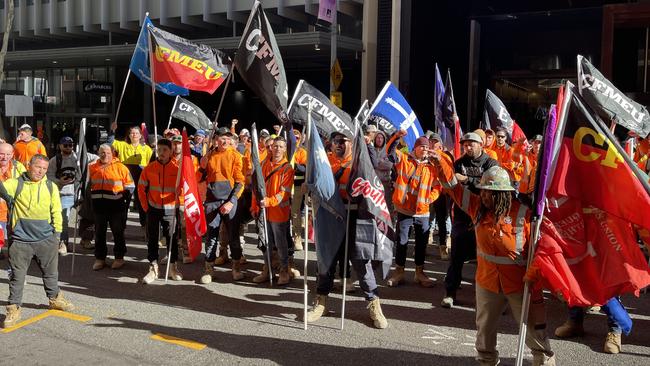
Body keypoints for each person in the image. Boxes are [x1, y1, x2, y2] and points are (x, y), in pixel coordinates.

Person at [431, 153, 556, 366]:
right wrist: (439, 163)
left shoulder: (525, 214)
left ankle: (543, 360)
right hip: (487, 281)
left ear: (502, 194)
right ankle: (487, 360)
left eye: (489, 193)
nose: (484, 196)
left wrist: (534, 272)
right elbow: (453, 187)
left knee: (534, 328)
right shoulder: (478, 208)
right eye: (483, 191)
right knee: (485, 327)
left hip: (521, 283)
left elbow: (543, 248)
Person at [306, 131, 388, 329]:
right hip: (331, 219)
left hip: (356, 218)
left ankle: (374, 305)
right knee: (326, 261)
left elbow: (374, 188)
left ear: (352, 143)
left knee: (362, 263)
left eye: (343, 141)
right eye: (335, 141)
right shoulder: (325, 163)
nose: (338, 144)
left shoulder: (360, 164)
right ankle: (321, 302)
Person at [1, 154, 74, 328]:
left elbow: (57, 212)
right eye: (37, 167)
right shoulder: (15, 184)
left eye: (44, 168)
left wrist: (57, 236)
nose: (40, 171)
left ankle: (54, 298)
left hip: (46, 239)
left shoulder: (50, 186)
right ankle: (13, 308)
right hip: (20, 240)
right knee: (17, 277)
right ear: (29, 165)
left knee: (51, 274)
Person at [441, 132, 498, 308]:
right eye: (465, 144)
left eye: (471, 144)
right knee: (456, 257)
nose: (468, 147)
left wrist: (468, 179)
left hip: (484, 216)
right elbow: (452, 185)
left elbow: (494, 183)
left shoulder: (491, 163)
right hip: (462, 216)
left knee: (487, 259)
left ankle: (491, 298)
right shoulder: (459, 163)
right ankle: (450, 293)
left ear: (481, 144)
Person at [385, 131, 441, 287]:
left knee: (421, 244)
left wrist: (430, 199)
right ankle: (399, 272)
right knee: (402, 242)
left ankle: (419, 273)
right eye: (421, 146)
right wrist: (395, 137)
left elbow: (437, 186)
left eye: (426, 147)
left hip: (423, 212)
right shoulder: (404, 159)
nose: (424, 149)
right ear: (415, 148)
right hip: (404, 210)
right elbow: (389, 152)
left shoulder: (432, 166)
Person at [199, 127, 245, 283]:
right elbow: (200, 178)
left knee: (233, 236)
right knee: (211, 236)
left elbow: (240, 183)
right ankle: (209, 269)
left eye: (227, 138)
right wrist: (202, 166)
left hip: (229, 201)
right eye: (222, 138)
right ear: (216, 140)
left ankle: (236, 267)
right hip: (212, 201)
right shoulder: (209, 156)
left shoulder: (236, 156)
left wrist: (231, 202)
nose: (225, 141)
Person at [251, 136, 295, 285]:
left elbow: (284, 193)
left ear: (284, 150)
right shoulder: (263, 165)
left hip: (278, 213)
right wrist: (254, 205)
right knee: (266, 243)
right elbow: (256, 187)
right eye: (275, 146)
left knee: (280, 244)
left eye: (281, 147)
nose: (277, 149)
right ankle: (267, 270)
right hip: (264, 212)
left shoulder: (287, 168)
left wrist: (268, 202)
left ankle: (284, 271)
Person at [138, 139, 183, 283]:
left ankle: (173, 267)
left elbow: (183, 189)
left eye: (165, 150)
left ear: (171, 151)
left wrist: (179, 202)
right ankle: (153, 267)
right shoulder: (149, 168)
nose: (162, 152)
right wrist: (146, 207)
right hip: (153, 208)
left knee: (172, 239)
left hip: (171, 209)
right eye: (160, 149)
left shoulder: (177, 169)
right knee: (152, 239)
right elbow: (141, 189)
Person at [89, 144, 135, 270]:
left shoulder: (121, 167)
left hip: (116, 206)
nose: (105, 155)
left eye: (108, 153)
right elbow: (87, 185)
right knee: (99, 233)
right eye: (102, 152)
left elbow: (131, 186)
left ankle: (119, 258)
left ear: (113, 153)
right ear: (98, 153)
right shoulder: (92, 167)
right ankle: (100, 259)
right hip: (99, 206)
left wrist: (123, 195)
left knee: (117, 233)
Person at [109, 122, 153, 228]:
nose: (134, 135)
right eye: (132, 133)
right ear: (129, 135)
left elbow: (151, 164)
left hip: (140, 177)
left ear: (140, 135)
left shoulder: (146, 149)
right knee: (123, 204)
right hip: (126, 178)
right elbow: (110, 143)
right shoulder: (123, 145)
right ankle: (120, 228)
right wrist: (112, 131)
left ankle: (145, 226)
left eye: (136, 133)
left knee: (142, 203)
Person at [47, 136, 81, 254]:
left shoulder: (78, 158)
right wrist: (59, 181)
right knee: (63, 219)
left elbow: (81, 174)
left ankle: (86, 239)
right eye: (65, 145)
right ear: (60, 146)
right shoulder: (54, 160)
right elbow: (49, 176)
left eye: (70, 145)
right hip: (62, 193)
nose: (68, 147)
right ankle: (63, 243)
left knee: (83, 217)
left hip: (76, 193)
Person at [428, 133, 452, 260]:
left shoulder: (446, 157)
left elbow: (449, 173)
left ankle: (443, 247)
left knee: (442, 220)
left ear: (441, 146)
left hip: (442, 194)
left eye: (435, 142)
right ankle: (423, 246)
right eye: (431, 142)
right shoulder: (426, 157)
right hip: (426, 192)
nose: (433, 144)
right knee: (426, 220)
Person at [0, 143, 26, 256]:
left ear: (12, 155)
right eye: (1, 154)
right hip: (0, 209)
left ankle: (13, 257)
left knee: (14, 235)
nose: (4, 157)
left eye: (7, 154)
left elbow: (27, 184)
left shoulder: (18, 167)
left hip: (14, 208)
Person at [290, 129, 307, 251]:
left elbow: (305, 168)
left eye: (296, 137)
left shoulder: (302, 152)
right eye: (292, 137)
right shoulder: (284, 150)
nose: (294, 139)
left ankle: (297, 237)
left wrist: (295, 165)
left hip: (296, 185)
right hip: (283, 185)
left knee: (295, 212)